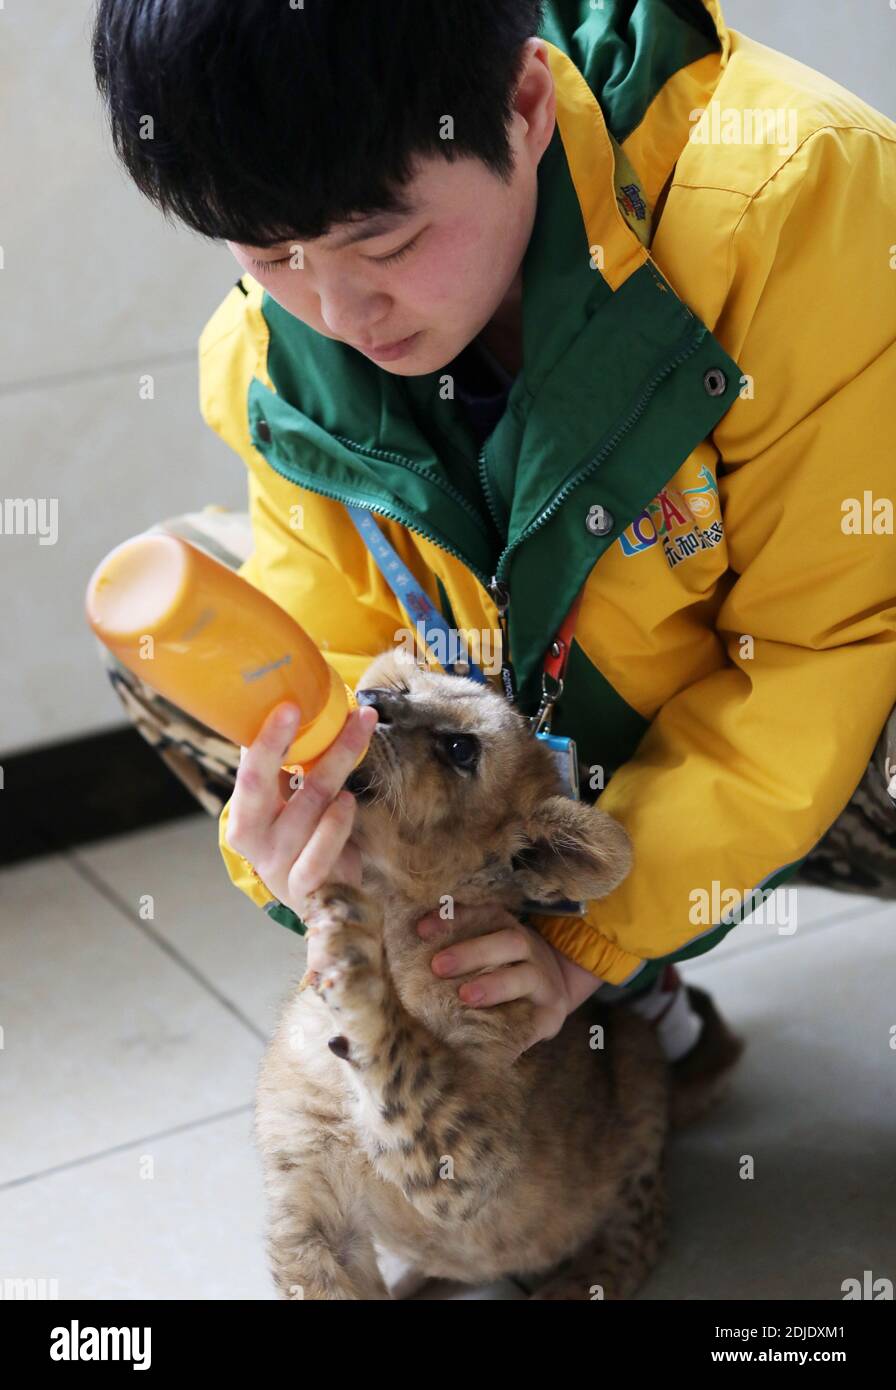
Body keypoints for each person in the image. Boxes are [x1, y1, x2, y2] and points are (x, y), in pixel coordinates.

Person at [92, 1, 896, 1071]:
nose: (338, 310)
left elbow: (820, 649)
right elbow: (329, 649)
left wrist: (582, 936)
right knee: (189, 652)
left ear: (523, 105)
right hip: (526, 754)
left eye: (383, 238)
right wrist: (312, 846)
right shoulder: (269, 347)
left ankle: (611, 968)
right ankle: (626, 1024)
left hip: (840, 725)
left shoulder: (791, 197)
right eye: (270, 252)